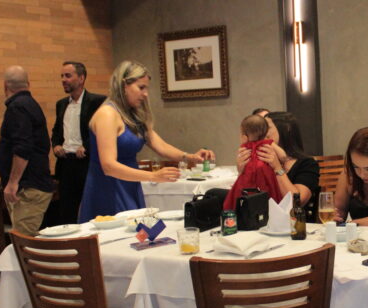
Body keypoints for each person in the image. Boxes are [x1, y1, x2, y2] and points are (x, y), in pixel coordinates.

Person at [78, 61, 214, 222]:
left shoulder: (133, 115)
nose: (145, 94)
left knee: (139, 231)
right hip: (108, 188)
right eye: (141, 87)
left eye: (146, 88)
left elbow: (160, 146)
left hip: (130, 183)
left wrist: (191, 157)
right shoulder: (107, 114)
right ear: (124, 85)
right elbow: (108, 166)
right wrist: (153, 176)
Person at [0, 65, 53, 236]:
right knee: (24, 239)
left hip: (28, 187)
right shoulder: (30, 104)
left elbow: (23, 148)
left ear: (5, 86)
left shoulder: (17, 107)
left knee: (23, 242)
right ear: (28, 84)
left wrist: (13, 182)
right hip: (32, 184)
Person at [50, 61, 105, 224]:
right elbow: (57, 130)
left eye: (68, 76)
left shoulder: (97, 101)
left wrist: (87, 146)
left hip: (87, 162)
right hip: (66, 162)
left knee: (92, 207)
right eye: (62, 76)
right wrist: (56, 145)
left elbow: (101, 130)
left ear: (81, 78)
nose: (63, 80)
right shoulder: (61, 104)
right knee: (67, 209)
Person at [236, 111, 319, 207]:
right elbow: (245, 198)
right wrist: (242, 172)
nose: (261, 131)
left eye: (266, 127)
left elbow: (297, 201)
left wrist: (277, 168)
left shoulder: (307, 164)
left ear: (286, 129)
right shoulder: (261, 160)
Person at [223, 114, 282, 210]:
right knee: (268, 197)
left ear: (244, 137)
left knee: (241, 198)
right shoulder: (267, 144)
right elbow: (283, 155)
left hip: (248, 178)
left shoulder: (244, 148)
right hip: (266, 177)